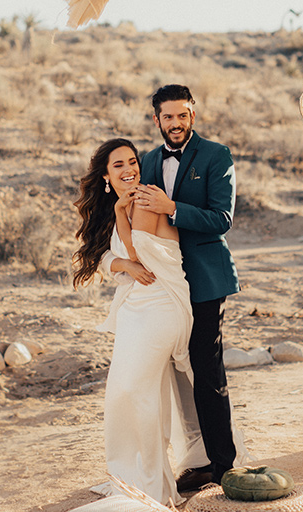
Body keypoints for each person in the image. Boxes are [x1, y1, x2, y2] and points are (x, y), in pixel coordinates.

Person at [73, 138, 195, 507]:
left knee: (135, 392)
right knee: (127, 394)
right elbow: (115, 259)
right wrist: (123, 263)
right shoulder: (120, 204)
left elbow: (138, 251)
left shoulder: (143, 200)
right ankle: (130, 474)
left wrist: (122, 217)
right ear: (106, 176)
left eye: (132, 162)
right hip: (135, 309)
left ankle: (150, 485)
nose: (129, 170)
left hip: (160, 308)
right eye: (118, 166)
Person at [133, 84, 240, 490]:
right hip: (162, 282)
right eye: (167, 117)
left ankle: (222, 465)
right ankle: (171, 462)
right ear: (156, 119)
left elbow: (221, 219)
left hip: (205, 281)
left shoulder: (217, 155)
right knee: (165, 372)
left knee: (205, 367)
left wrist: (172, 208)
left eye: (182, 115)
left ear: (192, 115)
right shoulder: (147, 160)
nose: (175, 124)